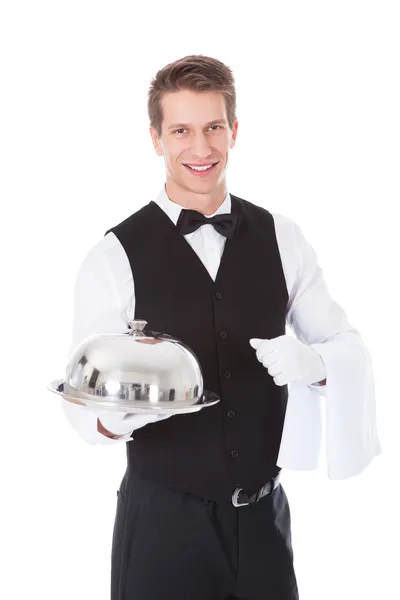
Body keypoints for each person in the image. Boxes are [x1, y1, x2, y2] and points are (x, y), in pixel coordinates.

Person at [61, 55, 380, 600]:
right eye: (181, 130)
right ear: (156, 139)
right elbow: (79, 407)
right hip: (163, 522)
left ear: (234, 131)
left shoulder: (284, 237)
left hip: (263, 522)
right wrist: (127, 413)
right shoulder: (113, 255)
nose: (201, 148)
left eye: (213, 127)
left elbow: (345, 345)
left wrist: (315, 363)